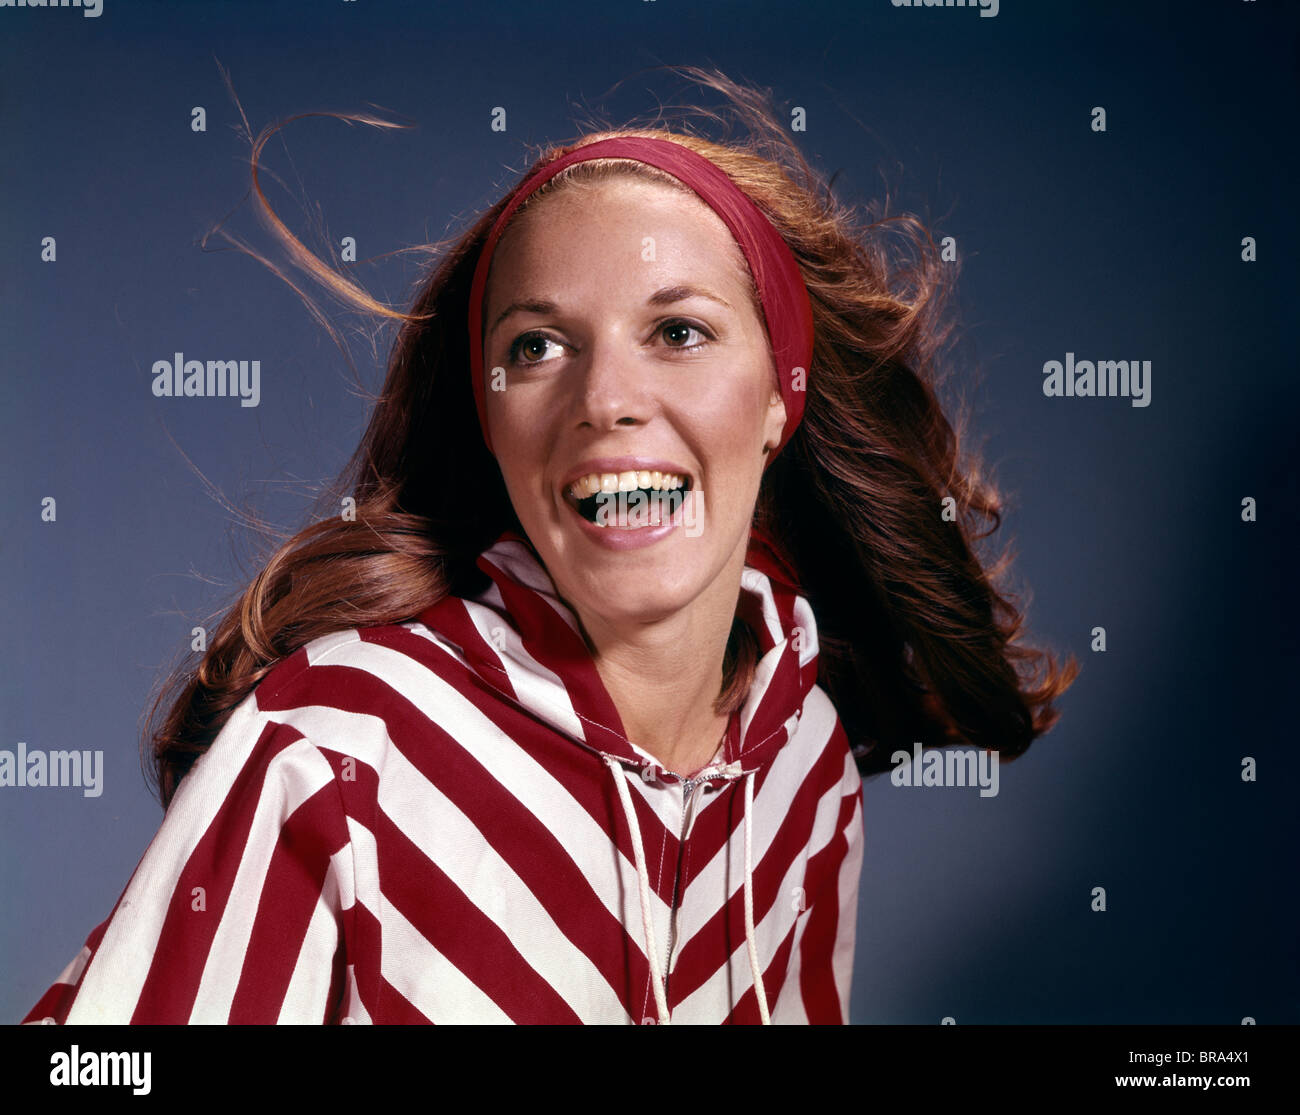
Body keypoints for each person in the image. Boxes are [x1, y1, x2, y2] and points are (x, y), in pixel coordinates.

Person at [22, 72, 1076, 1026]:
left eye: (678, 331)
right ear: (491, 421)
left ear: (778, 395)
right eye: (537, 347)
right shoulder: (334, 742)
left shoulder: (804, 762)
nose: (606, 400)